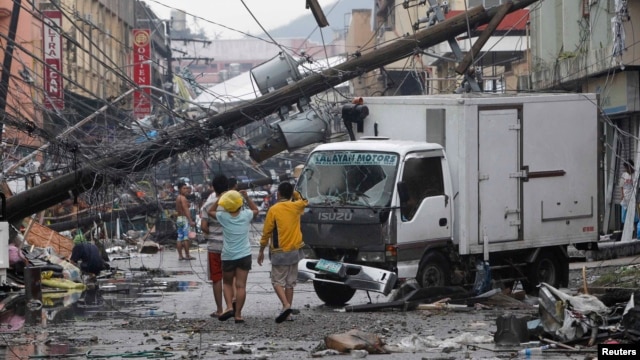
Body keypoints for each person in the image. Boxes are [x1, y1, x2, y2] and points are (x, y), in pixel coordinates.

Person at [257, 182, 308, 323]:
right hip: (295, 250)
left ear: (278, 194)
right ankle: (288, 312)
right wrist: (295, 193)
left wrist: (261, 250)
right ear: (291, 193)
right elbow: (305, 201)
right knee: (290, 283)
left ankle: (286, 306)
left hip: (279, 251)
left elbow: (266, 232)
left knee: (276, 281)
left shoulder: (274, 209)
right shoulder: (296, 206)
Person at [209, 190, 259, 324]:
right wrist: (247, 197)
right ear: (239, 203)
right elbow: (256, 210)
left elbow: (210, 212)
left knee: (227, 283)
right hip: (244, 255)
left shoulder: (223, 216)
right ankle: (238, 315)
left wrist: (220, 199)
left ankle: (229, 307)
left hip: (228, 256)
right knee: (241, 286)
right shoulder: (246, 215)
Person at [200, 175, 229, 318]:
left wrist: (212, 233)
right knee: (231, 278)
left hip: (214, 246)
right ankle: (232, 307)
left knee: (217, 278)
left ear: (213, 187)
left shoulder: (208, 205)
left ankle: (219, 309)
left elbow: (203, 226)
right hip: (231, 246)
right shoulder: (232, 203)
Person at [175, 182, 196, 260]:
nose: (186, 190)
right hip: (184, 219)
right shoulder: (183, 198)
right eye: (184, 188)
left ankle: (180, 256)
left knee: (179, 237)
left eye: (186, 188)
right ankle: (187, 255)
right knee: (186, 238)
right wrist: (190, 220)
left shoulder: (178, 198)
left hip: (179, 219)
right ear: (179, 189)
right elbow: (186, 209)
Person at [620, 159, 639, 237]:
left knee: (635, 219)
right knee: (624, 219)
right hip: (625, 200)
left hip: (633, 200)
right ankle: (626, 235)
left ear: (631, 167)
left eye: (627, 167)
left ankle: (634, 235)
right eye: (625, 168)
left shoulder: (636, 175)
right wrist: (622, 195)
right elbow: (621, 186)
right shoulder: (624, 175)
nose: (626, 169)